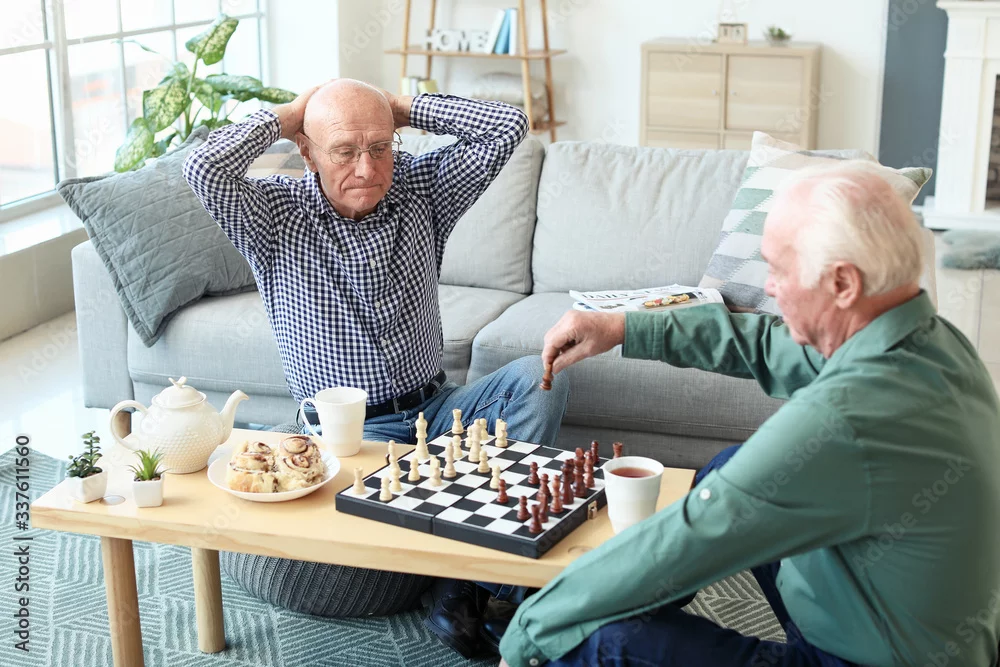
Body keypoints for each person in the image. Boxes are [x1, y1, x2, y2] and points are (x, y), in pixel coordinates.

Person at [497, 163, 1000, 667]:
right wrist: (622, 326)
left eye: (779, 270)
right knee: (724, 469)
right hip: (895, 622)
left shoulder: (849, 417)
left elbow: (691, 533)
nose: (771, 287)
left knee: (599, 643)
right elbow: (764, 342)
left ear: (843, 283)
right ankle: (620, 609)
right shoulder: (930, 341)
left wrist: (526, 633)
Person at [183, 79, 569, 657]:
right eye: (344, 151)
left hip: (439, 411)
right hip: (350, 434)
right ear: (308, 152)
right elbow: (202, 167)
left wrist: (401, 107)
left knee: (542, 378)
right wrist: (291, 114)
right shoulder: (272, 216)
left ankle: (470, 583)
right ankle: (467, 558)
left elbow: (507, 128)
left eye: (380, 147)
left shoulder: (423, 188)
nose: (367, 168)